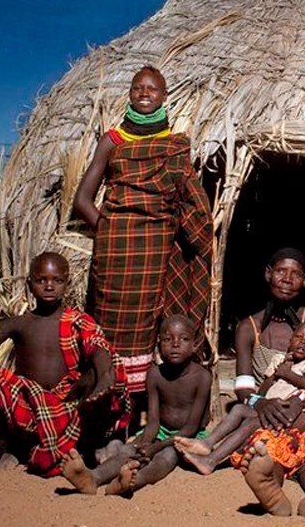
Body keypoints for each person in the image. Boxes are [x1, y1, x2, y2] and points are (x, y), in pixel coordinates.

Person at [72, 65, 213, 412]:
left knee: (149, 324)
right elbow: (82, 200)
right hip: (115, 252)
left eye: (152, 89)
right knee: (109, 321)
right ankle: (106, 402)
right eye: (138, 88)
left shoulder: (174, 145)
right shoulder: (113, 141)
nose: (144, 94)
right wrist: (110, 231)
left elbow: (189, 199)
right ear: (130, 94)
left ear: (164, 96)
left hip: (154, 250)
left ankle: (137, 409)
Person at [0, 252, 129, 476]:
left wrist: (104, 377)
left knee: (101, 371)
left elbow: (98, 346)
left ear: (67, 283)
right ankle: (18, 443)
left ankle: (82, 445)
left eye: (57, 280)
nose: (49, 286)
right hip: (28, 408)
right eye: (41, 280)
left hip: (67, 405)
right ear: (30, 284)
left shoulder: (78, 320)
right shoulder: (19, 323)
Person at [228, 248, 305, 516]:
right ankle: (270, 487)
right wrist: (261, 404)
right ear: (267, 274)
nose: (287, 279)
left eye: (296, 274)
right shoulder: (248, 327)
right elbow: (242, 386)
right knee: (268, 453)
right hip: (268, 413)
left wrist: (304, 395)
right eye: (281, 272)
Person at [61, 314, 211, 495]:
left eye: (184, 339)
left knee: (167, 456)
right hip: (161, 430)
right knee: (130, 449)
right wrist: (146, 442)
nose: (175, 344)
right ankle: (93, 477)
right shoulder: (155, 374)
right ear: (158, 346)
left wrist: (156, 447)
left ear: (195, 345)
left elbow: (190, 428)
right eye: (167, 339)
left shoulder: (202, 377)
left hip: (190, 437)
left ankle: (131, 482)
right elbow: (153, 422)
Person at [175, 321, 305, 475]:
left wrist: (287, 374)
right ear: (290, 341)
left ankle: (211, 461)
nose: (303, 342)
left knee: (251, 424)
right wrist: (277, 373)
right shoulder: (279, 360)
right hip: (272, 410)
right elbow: (263, 391)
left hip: (295, 413)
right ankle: (207, 443)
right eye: (299, 337)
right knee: (238, 409)